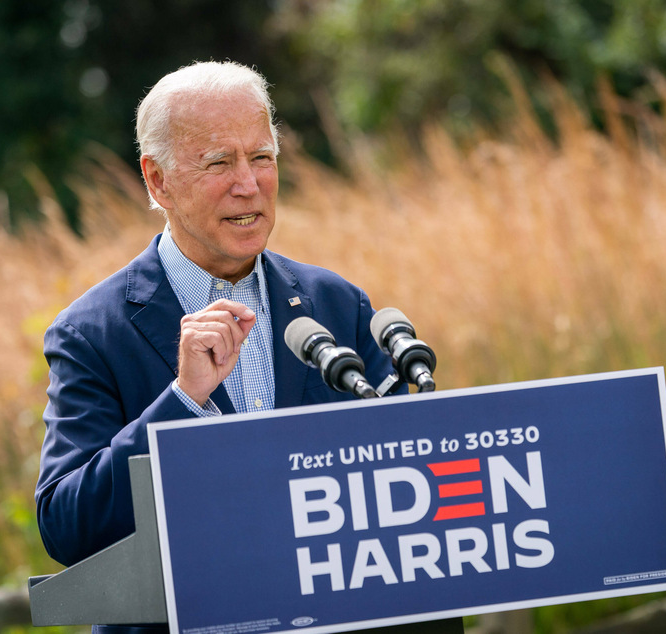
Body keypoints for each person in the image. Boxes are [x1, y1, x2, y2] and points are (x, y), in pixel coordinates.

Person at [34, 61, 403, 633]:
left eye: (261, 157)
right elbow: (66, 527)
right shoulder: (90, 333)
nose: (248, 184)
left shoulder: (337, 304)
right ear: (157, 181)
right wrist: (183, 401)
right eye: (218, 162)